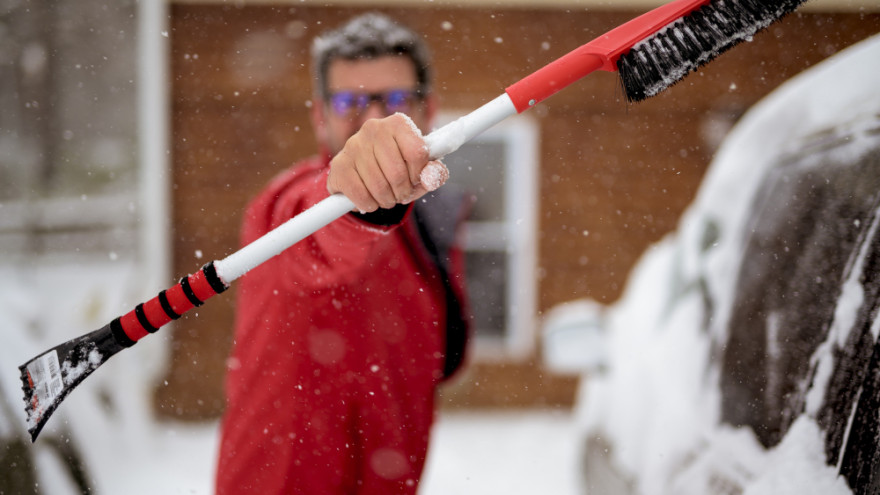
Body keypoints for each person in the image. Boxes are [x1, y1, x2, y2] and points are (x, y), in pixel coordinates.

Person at [215, 13, 470, 495]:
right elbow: (319, 237)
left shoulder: (429, 225)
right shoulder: (286, 208)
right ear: (319, 114)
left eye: (395, 100)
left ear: (429, 108)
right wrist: (357, 206)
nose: (372, 121)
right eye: (350, 102)